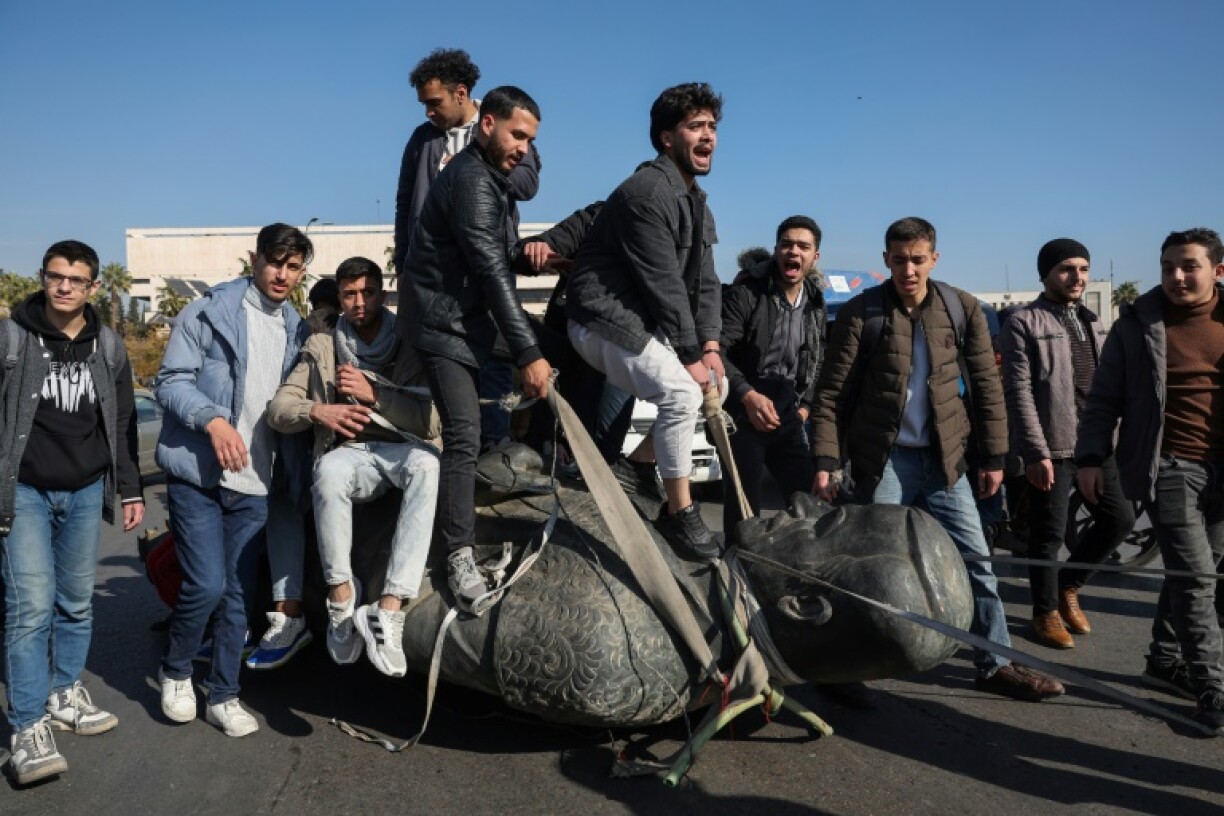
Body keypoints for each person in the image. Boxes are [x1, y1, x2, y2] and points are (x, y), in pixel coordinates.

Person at [811, 217, 1064, 702]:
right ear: (885, 259)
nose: (909, 269)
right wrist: (826, 458)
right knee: (867, 568)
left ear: (934, 259)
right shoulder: (862, 313)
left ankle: (996, 664)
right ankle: (841, 669)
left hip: (945, 463)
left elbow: (988, 389)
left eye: (918, 259)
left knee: (976, 562)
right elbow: (831, 394)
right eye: (900, 259)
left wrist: (993, 457)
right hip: (882, 462)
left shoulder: (960, 306)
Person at [153, 223, 312, 737]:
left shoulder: (297, 329)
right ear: (254, 258)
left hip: (256, 483)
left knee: (239, 598)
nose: (282, 274)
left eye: (292, 266)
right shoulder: (208, 311)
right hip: (198, 473)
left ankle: (224, 694)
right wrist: (213, 420)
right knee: (206, 583)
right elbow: (170, 381)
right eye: (274, 262)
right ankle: (176, 670)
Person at [401, 86, 551, 613]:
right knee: (463, 435)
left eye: (531, 141)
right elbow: (490, 271)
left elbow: (494, 254)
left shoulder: (491, 180)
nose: (525, 150)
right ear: (487, 123)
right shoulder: (471, 181)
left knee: (484, 432)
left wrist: (542, 256)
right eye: (518, 135)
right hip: (445, 329)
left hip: (468, 325)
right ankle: (456, 555)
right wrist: (528, 355)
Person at [0, 240, 145, 786]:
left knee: (76, 603)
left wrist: (129, 490)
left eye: (75, 280)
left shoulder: (106, 346)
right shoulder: (12, 336)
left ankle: (64, 692)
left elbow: (124, 420)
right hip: (26, 493)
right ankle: (28, 726)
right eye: (55, 277)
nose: (64, 287)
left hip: (86, 490)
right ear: (44, 278)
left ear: (93, 287)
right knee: (30, 607)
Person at [566, 82, 727, 560]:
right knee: (682, 392)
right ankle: (680, 513)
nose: (708, 136)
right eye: (695, 126)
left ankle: (635, 467)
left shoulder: (697, 202)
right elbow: (666, 286)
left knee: (716, 383)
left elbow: (706, 284)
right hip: (600, 320)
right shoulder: (646, 192)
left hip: (642, 325)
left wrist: (712, 348)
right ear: (665, 138)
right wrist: (692, 358)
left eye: (713, 127)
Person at [1076, 227, 1224, 734]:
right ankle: (1212, 686)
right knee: (1197, 577)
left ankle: (1164, 659)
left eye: (1189, 266)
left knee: (1200, 571)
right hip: (1168, 466)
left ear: (1217, 271)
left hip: (1221, 471)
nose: (1177, 276)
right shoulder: (1138, 323)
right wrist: (1091, 456)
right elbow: (1104, 397)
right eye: (1168, 267)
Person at [268, 257, 440, 677]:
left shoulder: (409, 341)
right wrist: (319, 410)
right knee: (327, 472)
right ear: (339, 297)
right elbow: (279, 409)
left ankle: (390, 608)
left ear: (382, 294)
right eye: (349, 294)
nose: (359, 302)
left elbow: (432, 420)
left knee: (427, 466)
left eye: (367, 293)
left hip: (404, 447)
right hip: (352, 453)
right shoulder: (324, 347)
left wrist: (375, 393)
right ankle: (342, 599)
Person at [391, 48, 542, 453]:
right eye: (424, 104)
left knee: (493, 354)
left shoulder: (507, 129)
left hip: (486, 262)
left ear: (461, 94)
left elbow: (528, 185)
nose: (428, 112)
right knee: (439, 358)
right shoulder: (422, 140)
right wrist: (403, 260)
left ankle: (494, 445)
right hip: (433, 273)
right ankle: (442, 441)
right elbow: (405, 200)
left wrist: (474, 171)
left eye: (434, 102)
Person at [999, 238, 1135, 649]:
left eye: (1082, 268)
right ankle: (1045, 613)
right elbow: (1019, 392)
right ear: (1046, 275)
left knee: (1120, 519)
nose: (1076, 277)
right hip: (1053, 446)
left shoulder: (1094, 321)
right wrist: (1036, 451)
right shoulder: (1024, 322)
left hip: (1095, 444)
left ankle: (1068, 586)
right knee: (1048, 534)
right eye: (1066, 269)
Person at [719, 216, 826, 543]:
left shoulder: (815, 299)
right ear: (777, 250)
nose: (794, 251)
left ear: (814, 257)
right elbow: (717, 354)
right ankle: (736, 575)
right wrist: (747, 396)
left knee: (808, 504)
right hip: (743, 409)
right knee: (743, 513)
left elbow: (817, 358)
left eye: (803, 246)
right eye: (787, 244)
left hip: (788, 411)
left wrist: (805, 406)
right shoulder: (747, 292)